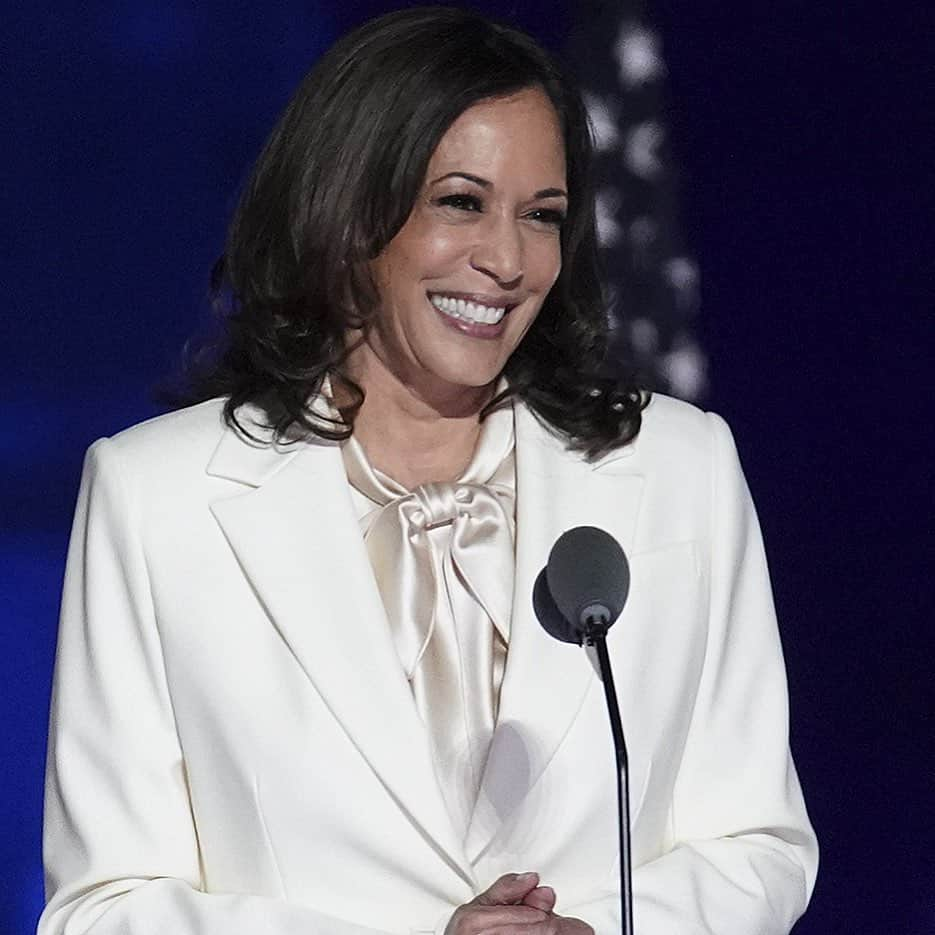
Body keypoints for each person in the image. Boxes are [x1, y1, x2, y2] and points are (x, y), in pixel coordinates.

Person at [39, 7, 818, 935]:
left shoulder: (680, 465)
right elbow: (103, 907)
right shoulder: (155, 497)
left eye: (542, 217)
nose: (505, 260)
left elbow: (758, 842)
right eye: (460, 202)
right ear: (347, 208)